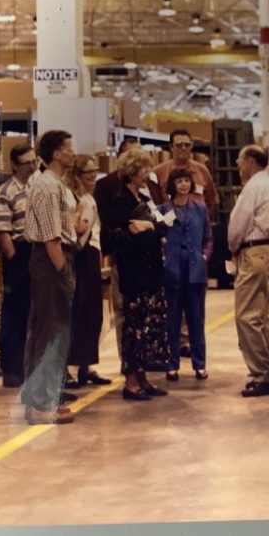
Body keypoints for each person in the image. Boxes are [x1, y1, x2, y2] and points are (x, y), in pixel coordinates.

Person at [21, 130, 79, 425]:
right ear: (56, 154)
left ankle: (41, 401)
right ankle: (40, 405)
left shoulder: (55, 184)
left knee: (50, 330)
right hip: (50, 262)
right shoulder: (46, 186)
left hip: (54, 259)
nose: (73, 152)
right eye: (68, 148)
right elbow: (50, 237)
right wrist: (64, 274)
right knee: (49, 332)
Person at [108, 148, 171, 401]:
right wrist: (153, 233)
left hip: (151, 271)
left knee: (147, 327)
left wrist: (150, 228)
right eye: (144, 168)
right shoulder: (120, 201)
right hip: (134, 273)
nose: (148, 173)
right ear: (133, 171)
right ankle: (131, 382)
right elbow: (124, 238)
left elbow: (165, 226)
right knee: (134, 327)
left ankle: (143, 378)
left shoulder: (143, 198)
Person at [149, 129, 218, 359]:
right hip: (172, 243)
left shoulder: (202, 172)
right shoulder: (158, 173)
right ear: (170, 146)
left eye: (188, 145)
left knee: (196, 307)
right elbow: (154, 207)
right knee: (172, 305)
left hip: (195, 242)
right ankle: (173, 352)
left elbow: (211, 201)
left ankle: (193, 350)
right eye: (179, 144)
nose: (184, 149)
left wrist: (204, 254)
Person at [228, 144, 269, 398]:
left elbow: (238, 224)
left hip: (253, 254)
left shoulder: (253, 188)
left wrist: (233, 248)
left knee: (247, 317)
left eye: (240, 162)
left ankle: (262, 374)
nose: (239, 167)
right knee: (267, 316)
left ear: (251, 161)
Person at [158, 166, 213, 382]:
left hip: (195, 270)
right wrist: (163, 256)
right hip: (172, 270)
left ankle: (200, 364)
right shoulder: (163, 210)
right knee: (171, 321)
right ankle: (172, 364)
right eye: (179, 181)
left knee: (196, 320)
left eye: (186, 180)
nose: (183, 184)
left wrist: (205, 257)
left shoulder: (200, 208)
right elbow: (157, 238)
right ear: (172, 185)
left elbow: (208, 237)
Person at [0, 143, 38, 388]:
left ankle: (31, 367)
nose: (32, 166)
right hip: (19, 255)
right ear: (15, 166)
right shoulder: (5, 192)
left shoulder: (37, 188)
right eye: (27, 162)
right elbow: (3, 232)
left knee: (36, 316)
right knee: (15, 315)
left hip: (37, 252)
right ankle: (12, 369)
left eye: (34, 161)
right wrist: (15, 260)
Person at [94, 138, 144, 368]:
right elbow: (108, 224)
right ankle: (129, 363)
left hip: (147, 261)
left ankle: (142, 364)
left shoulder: (147, 189)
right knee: (125, 311)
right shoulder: (107, 188)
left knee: (143, 313)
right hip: (124, 259)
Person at [64, 154, 112, 389]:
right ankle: (72, 367)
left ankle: (86, 365)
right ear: (77, 174)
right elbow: (78, 233)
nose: (93, 176)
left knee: (92, 313)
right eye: (88, 173)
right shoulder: (77, 199)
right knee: (79, 311)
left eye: (95, 171)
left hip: (92, 255)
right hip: (81, 256)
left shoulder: (89, 198)